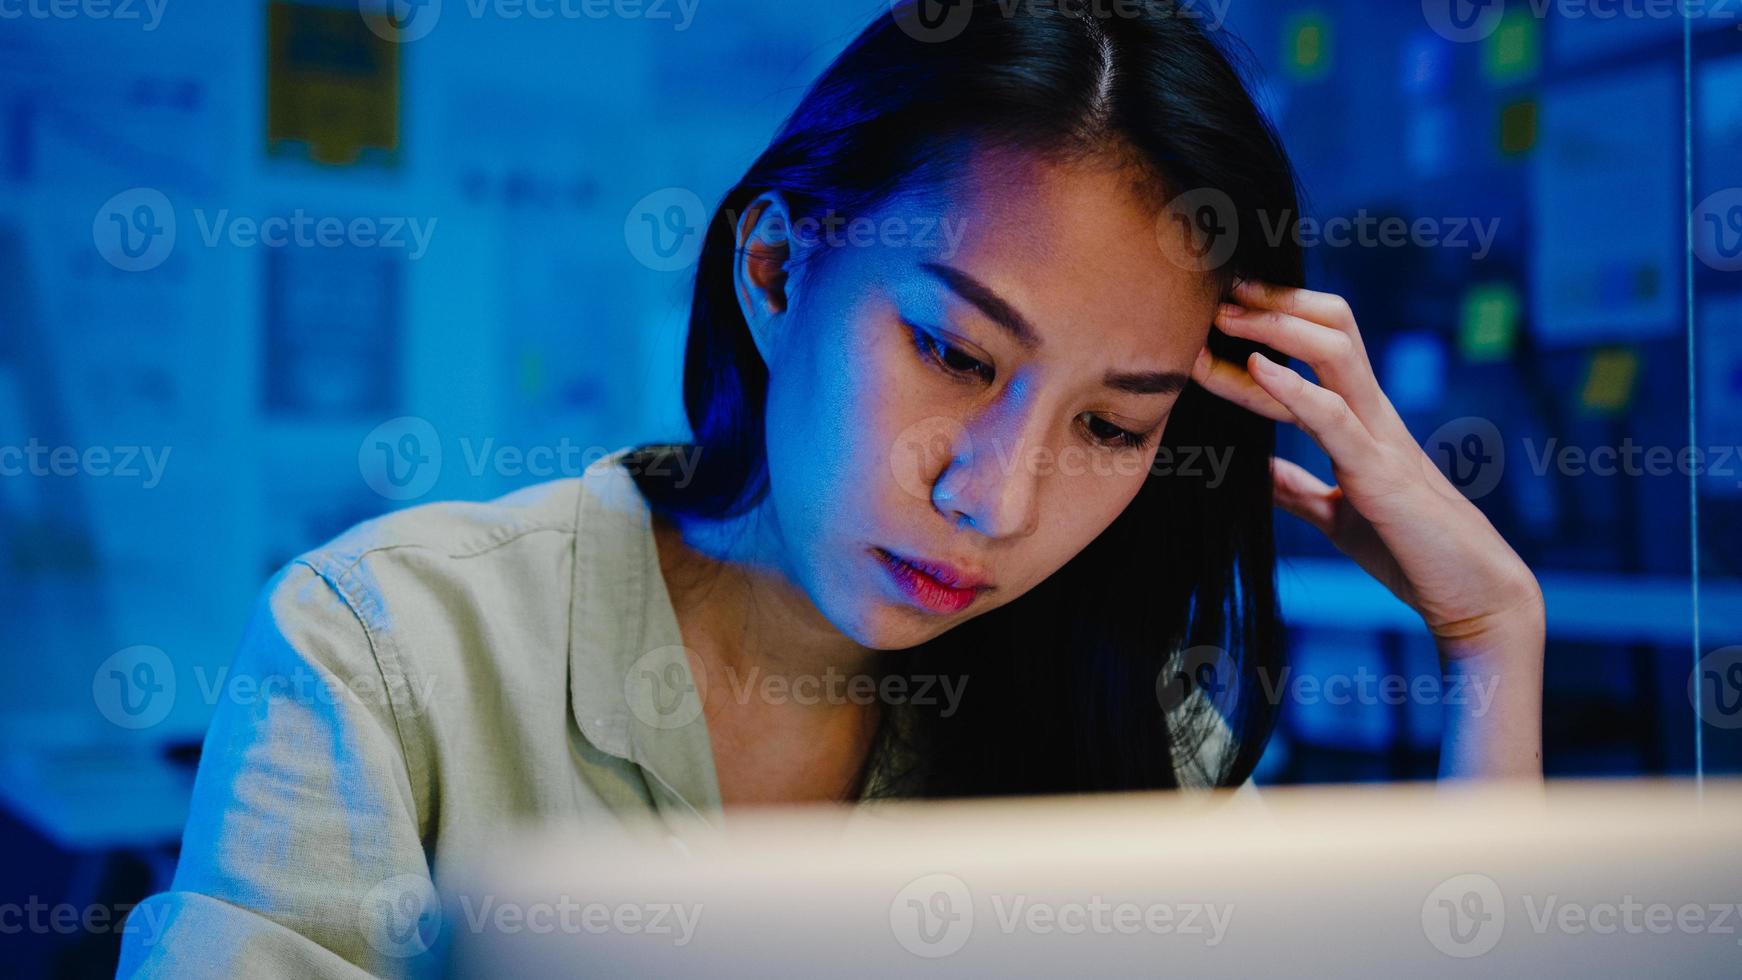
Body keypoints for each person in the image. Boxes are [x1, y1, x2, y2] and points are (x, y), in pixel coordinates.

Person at [116, 2, 1544, 976]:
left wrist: (1488, 632)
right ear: (779, 273)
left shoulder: (1124, 731)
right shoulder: (386, 645)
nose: (995, 498)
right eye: (948, 351)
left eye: (1112, 427)